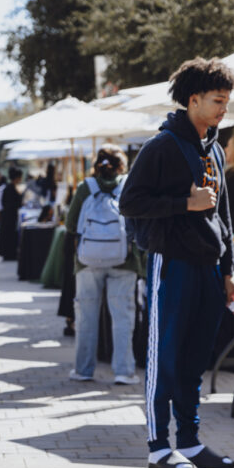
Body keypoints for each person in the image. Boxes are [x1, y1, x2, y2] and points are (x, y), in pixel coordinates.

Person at [120, 57, 234, 468]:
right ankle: (158, 447)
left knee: (194, 359)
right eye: (218, 100)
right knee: (166, 357)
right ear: (193, 101)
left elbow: (223, 215)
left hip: (209, 270)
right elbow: (129, 202)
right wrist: (183, 204)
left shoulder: (212, 147)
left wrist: (228, 273)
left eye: (226, 101)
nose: (224, 108)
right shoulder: (162, 146)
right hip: (171, 264)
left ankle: (189, 443)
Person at [64, 145, 144, 384]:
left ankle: (83, 370)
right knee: (122, 317)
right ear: (122, 165)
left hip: (87, 260)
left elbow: (70, 225)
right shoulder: (129, 186)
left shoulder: (85, 188)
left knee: (86, 317)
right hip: (124, 259)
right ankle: (123, 371)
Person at [0, 166, 24, 261]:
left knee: (8, 235)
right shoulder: (11, 188)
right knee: (10, 235)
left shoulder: (9, 188)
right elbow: (13, 203)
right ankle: (9, 253)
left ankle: (8, 253)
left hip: (7, 216)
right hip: (10, 216)